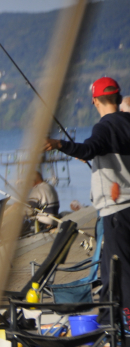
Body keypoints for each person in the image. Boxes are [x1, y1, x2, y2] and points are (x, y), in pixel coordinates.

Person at [45, 76, 130, 319]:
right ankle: (107, 323)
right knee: (108, 268)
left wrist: (58, 144)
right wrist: (94, 154)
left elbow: (89, 148)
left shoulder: (104, 127)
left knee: (119, 273)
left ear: (95, 101)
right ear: (117, 96)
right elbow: (99, 150)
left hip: (117, 211)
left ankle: (123, 328)